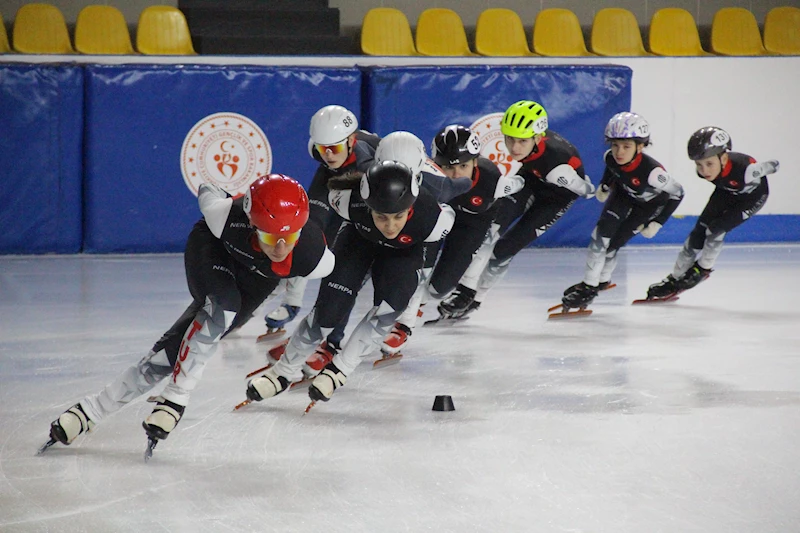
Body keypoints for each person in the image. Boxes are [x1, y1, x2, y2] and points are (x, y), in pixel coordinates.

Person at [42, 174, 334, 456]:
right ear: (251, 222)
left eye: (290, 236)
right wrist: (233, 197)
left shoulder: (315, 256)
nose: (281, 248)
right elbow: (208, 188)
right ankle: (175, 399)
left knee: (175, 351)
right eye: (271, 237)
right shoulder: (224, 216)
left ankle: (91, 410)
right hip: (213, 249)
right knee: (222, 309)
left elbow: (304, 273)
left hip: (257, 278)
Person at [245, 160, 455, 405]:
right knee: (327, 312)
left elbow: (428, 263)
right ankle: (281, 374)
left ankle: (339, 371)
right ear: (367, 205)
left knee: (390, 307)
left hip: (404, 253)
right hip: (358, 242)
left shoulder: (435, 220)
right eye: (381, 216)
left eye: (399, 216)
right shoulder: (345, 201)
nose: (390, 226)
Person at [437, 100, 596, 319]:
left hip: (555, 199)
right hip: (530, 181)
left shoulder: (558, 159)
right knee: (490, 230)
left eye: (522, 141)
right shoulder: (530, 144)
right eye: (509, 139)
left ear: (538, 138)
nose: (514, 147)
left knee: (504, 250)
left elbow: (588, 192)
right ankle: (464, 292)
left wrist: (573, 181)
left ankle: (477, 299)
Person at [381, 124, 524, 354]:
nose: (456, 175)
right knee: (420, 269)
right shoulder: (426, 175)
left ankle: (418, 304)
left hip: (472, 224)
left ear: (476, 163)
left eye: (463, 166)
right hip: (437, 215)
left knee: (440, 288)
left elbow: (519, 185)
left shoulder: (492, 181)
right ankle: (405, 324)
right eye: (447, 167)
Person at [259, 105, 379, 341]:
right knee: (305, 232)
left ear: (351, 141)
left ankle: (397, 319)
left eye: (334, 148)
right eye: (322, 148)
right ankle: (292, 303)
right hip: (333, 179)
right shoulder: (323, 154)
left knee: (352, 261)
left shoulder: (373, 161)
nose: (328, 154)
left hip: (365, 187)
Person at [558, 112, 684, 311]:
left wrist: (658, 222)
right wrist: (605, 185)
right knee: (598, 239)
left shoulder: (653, 174)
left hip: (648, 206)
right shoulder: (610, 157)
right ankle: (589, 286)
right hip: (623, 196)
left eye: (626, 146)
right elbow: (612, 169)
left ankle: (602, 280)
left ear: (640, 146)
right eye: (615, 145)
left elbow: (678, 193)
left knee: (613, 246)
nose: (619, 152)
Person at [645, 126, 779, 299]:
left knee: (717, 229)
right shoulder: (707, 171)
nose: (705, 171)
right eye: (699, 165)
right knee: (697, 234)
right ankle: (675, 279)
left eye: (709, 164)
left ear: (724, 158)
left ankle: (704, 268)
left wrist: (762, 168)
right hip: (726, 192)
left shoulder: (745, 170)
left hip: (752, 197)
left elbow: (774, 164)